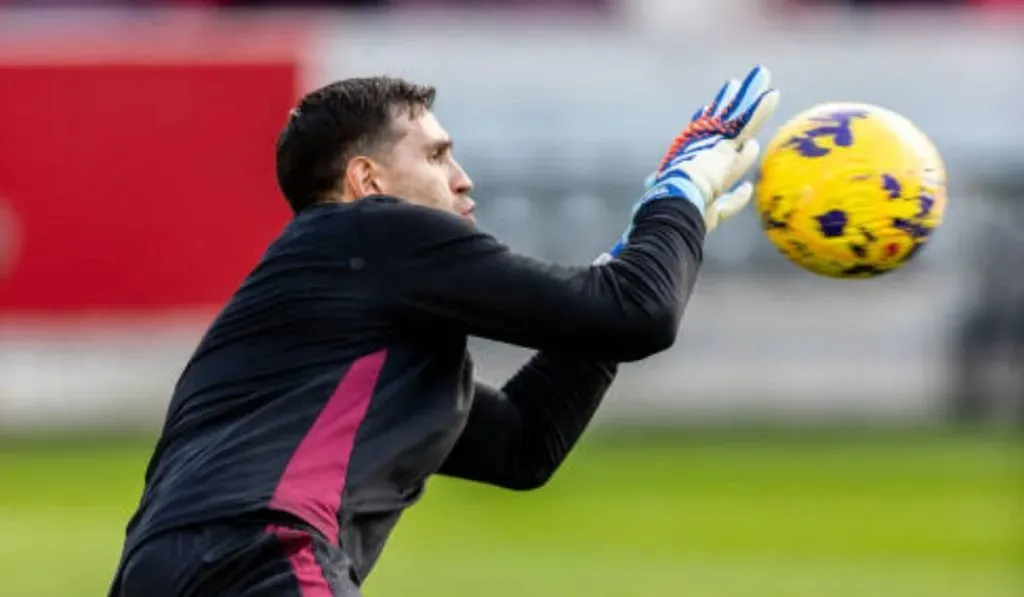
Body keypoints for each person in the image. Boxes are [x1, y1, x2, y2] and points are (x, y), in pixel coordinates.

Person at [108, 67, 779, 597]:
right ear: (366, 180)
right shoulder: (374, 231)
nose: (464, 179)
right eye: (437, 156)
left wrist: (639, 246)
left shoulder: (342, 308)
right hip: (256, 555)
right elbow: (639, 314)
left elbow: (523, 442)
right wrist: (679, 194)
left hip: (163, 565)